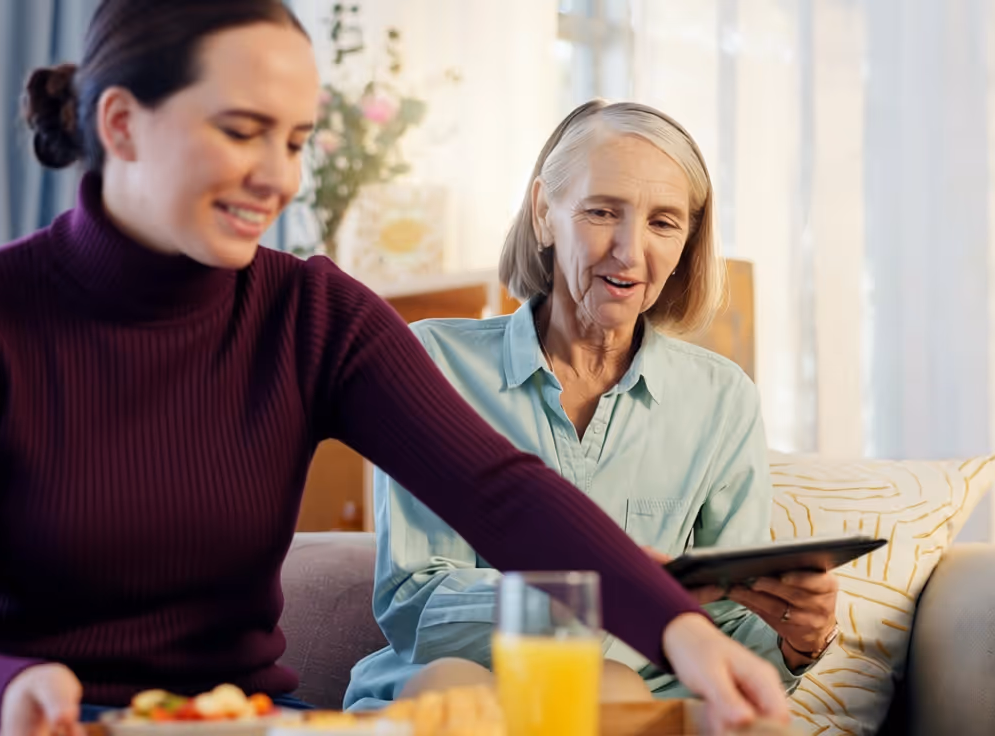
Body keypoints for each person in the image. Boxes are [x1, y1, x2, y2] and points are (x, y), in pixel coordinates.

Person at [0, 3, 791, 735]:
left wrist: (681, 631)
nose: (281, 176)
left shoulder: (313, 314)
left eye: (297, 140)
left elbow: (502, 493)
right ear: (123, 125)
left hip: (245, 722)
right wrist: (2, 692)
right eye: (242, 130)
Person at [345, 100, 841, 711]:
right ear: (543, 215)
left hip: (628, 705)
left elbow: (728, 631)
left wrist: (798, 642)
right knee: (465, 691)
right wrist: (605, 592)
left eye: (664, 222)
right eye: (603, 212)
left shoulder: (721, 399)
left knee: (618, 690)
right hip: (453, 689)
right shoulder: (434, 360)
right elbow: (416, 601)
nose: (630, 251)